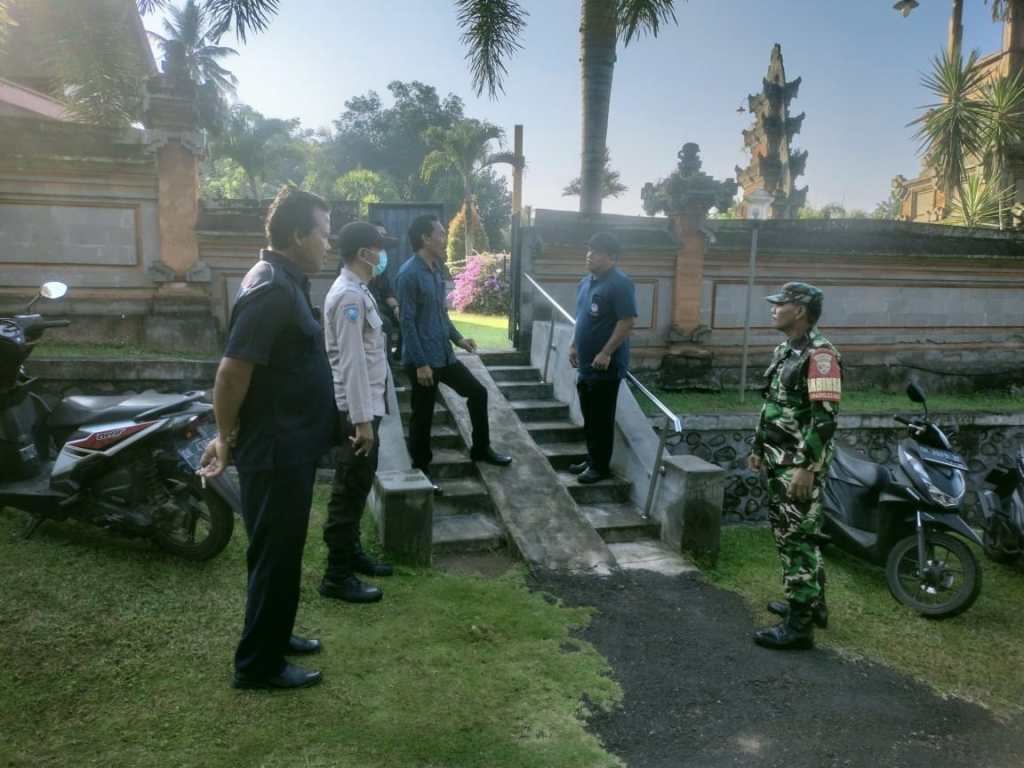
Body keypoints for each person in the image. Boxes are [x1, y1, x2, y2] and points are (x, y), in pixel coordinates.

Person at [199, 185, 335, 690]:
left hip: (291, 445)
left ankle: (276, 636)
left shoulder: (285, 280)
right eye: (324, 233)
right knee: (274, 554)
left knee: (282, 550)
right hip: (277, 450)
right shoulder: (272, 288)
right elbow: (232, 373)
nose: (328, 243)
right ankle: (258, 665)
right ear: (298, 235)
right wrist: (224, 437)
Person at [748, 282, 840, 651]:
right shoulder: (786, 350)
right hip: (777, 458)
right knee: (796, 534)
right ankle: (812, 604)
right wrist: (758, 445)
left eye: (780, 304)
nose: (773, 309)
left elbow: (825, 419)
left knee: (797, 538)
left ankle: (799, 627)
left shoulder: (821, 356)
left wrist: (807, 467)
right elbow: (773, 402)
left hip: (797, 465)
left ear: (799, 310)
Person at [396, 214, 511, 493]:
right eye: (440, 233)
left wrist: (459, 339)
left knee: (477, 392)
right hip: (422, 359)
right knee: (422, 415)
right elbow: (407, 322)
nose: (444, 238)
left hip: (444, 355)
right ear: (425, 238)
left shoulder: (436, 270)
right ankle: (422, 469)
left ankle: (481, 449)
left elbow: (441, 314)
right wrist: (421, 363)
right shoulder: (408, 274)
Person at [320, 221, 395, 604]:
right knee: (349, 490)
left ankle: (352, 555)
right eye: (379, 248)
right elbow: (351, 363)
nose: (383, 255)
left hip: (366, 406)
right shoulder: (349, 296)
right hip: (356, 411)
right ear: (364, 253)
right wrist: (362, 421)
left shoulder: (360, 290)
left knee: (359, 484)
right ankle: (336, 576)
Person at [567, 232, 637, 485]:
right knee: (589, 416)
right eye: (589, 250)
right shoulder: (585, 283)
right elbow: (581, 318)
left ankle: (600, 467)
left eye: (596, 252)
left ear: (611, 256)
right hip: (585, 364)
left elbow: (626, 321)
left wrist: (607, 352)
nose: (589, 255)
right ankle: (592, 458)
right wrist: (573, 344)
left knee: (601, 418)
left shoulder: (620, 283)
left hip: (606, 366)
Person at [365, 221, 402, 359]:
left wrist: (396, 307)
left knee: (406, 315)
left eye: (384, 235)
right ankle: (388, 363)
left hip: (382, 306)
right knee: (384, 323)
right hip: (367, 307)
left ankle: (400, 357)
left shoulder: (381, 265)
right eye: (378, 236)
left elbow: (387, 291)